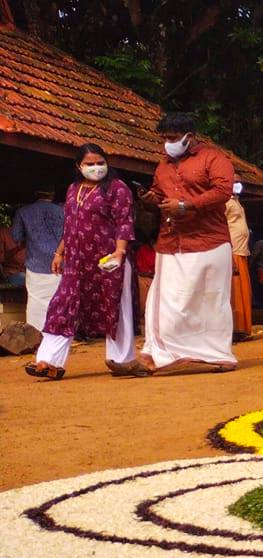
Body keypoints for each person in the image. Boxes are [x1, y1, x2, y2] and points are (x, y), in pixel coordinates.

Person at [24, 144, 138, 380]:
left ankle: (122, 360)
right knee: (62, 306)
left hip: (108, 261)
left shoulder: (117, 189)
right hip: (76, 262)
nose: (96, 167)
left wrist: (119, 252)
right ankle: (48, 360)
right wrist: (59, 253)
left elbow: (124, 222)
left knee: (116, 305)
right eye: (90, 164)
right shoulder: (73, 189)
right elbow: (70, 225)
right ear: (79, 166)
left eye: (100, 162)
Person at [136, 112, 238, 373]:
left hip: (210, 240)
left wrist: (186, 205)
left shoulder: (214, 158)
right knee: (168, 301)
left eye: (171, 138)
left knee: (211, 300)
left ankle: (217, 355)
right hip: (172, 242)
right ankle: (159, 354)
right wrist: (150, 198)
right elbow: (160, 194)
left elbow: (222, 191)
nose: (166, 143)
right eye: (164, 138)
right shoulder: (163, 165)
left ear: (189, 137)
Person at [11, 189, 64, 330]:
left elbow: (16, 237)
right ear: (53, 194)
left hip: (35, 263)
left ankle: (36, 335)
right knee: (60, 301)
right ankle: (57, 333)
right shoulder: (62, 211)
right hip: (60, 264)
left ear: (35, 194)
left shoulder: (23, 212)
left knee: (36, 302)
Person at [226, 182, 253, 340]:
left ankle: (242, 328)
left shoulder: (236, 201)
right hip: (233, 252)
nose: (238, 185)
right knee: (235, 293)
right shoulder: (225, 202)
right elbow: (222, 226)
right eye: (234, 181)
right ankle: (234, 329)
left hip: (241, 251)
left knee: (243, 291)